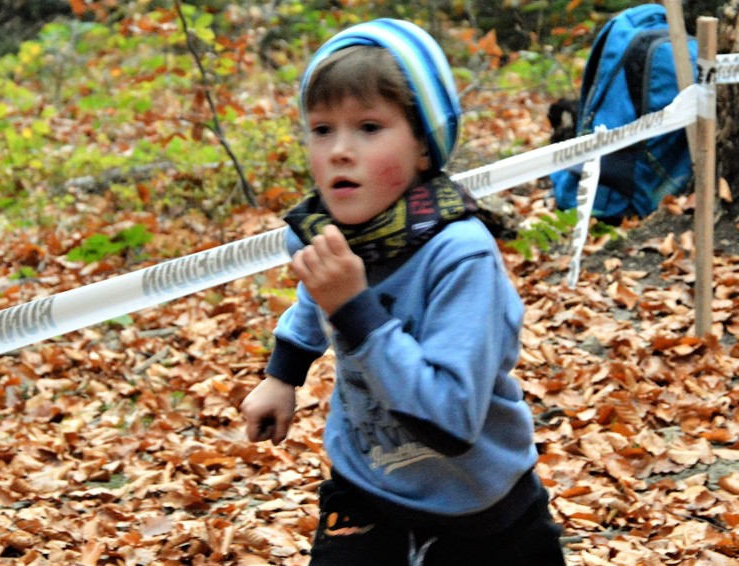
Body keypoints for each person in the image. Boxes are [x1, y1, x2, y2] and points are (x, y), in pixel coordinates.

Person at [240, 18, 567, 566]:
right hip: (365, 486)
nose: (341, 150)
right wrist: (283, 374)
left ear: (423, 146)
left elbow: (449, 420)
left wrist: (354, 307)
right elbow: (314, 296)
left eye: (369, 127)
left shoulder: (461, 255)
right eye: (322, 129)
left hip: (483, 510)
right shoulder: (342, 232)